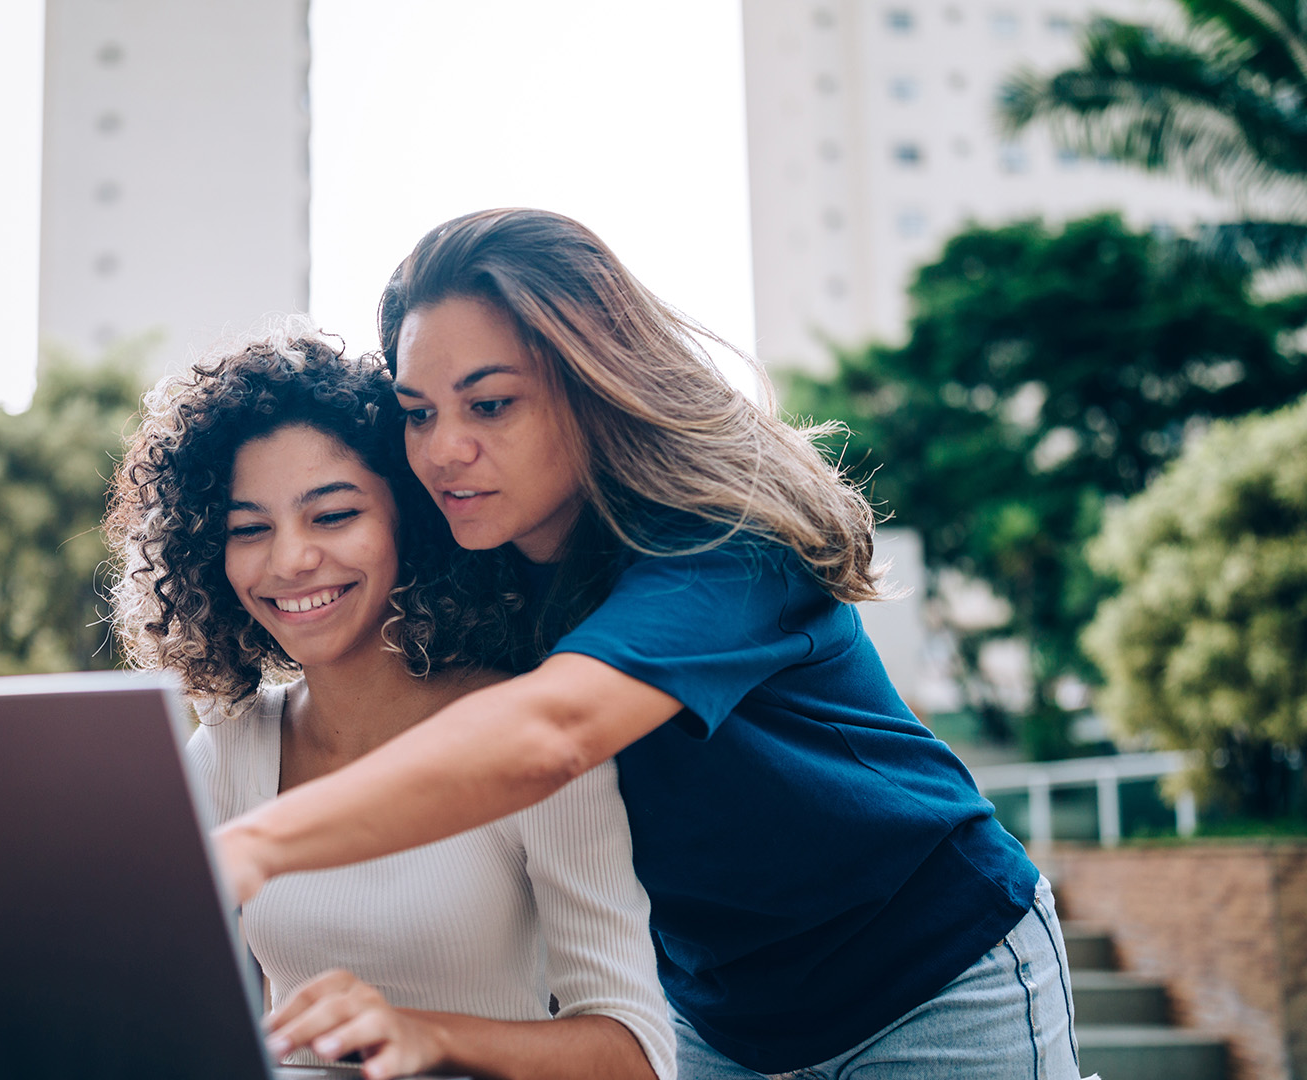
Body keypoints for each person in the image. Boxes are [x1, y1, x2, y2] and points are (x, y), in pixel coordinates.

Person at [210, 211, 1086, 1079]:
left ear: (594, 382)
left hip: (934, 974)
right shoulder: (479, 566)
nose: (442, 450)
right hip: (722, 1017)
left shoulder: (725, 539)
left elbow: (553, 731)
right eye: (418, 412)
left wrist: (253, 846)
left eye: (490, 404)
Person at [104, 327, 677, 1080]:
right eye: (250, 529)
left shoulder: (525, 733)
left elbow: (638, 1055)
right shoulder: (230, 746)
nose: (290, 559)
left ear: (410, 520)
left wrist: (426, 1035)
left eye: (333, 516)